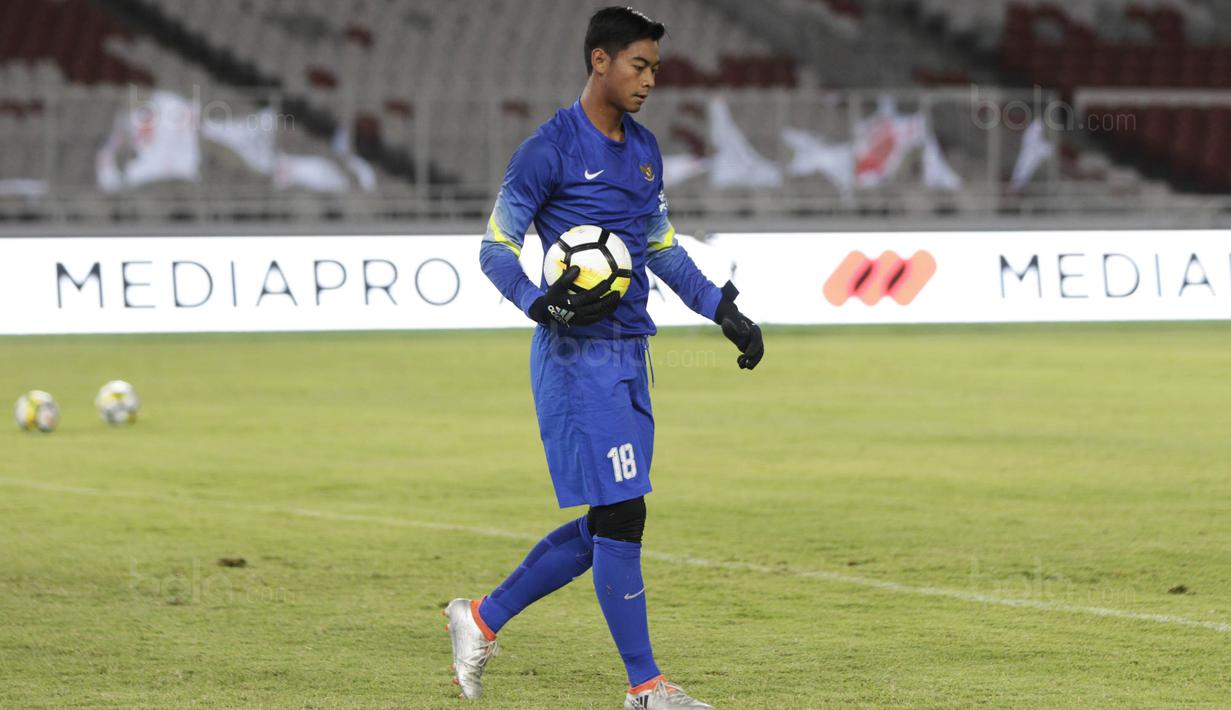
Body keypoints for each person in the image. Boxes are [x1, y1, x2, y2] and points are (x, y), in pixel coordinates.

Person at [445, 7, 764, 708]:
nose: (650, 79)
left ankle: (480, 618)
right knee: (622, 517)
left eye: (654, 67)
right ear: (600, 61)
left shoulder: (644, 150)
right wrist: (539, 303)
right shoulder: (547, 150)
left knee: (608, 523)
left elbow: (657, 247)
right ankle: (645, 688)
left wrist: (722, 309)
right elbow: (494, 248)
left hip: (628, 353)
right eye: (638, 65)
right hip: (575, 357)